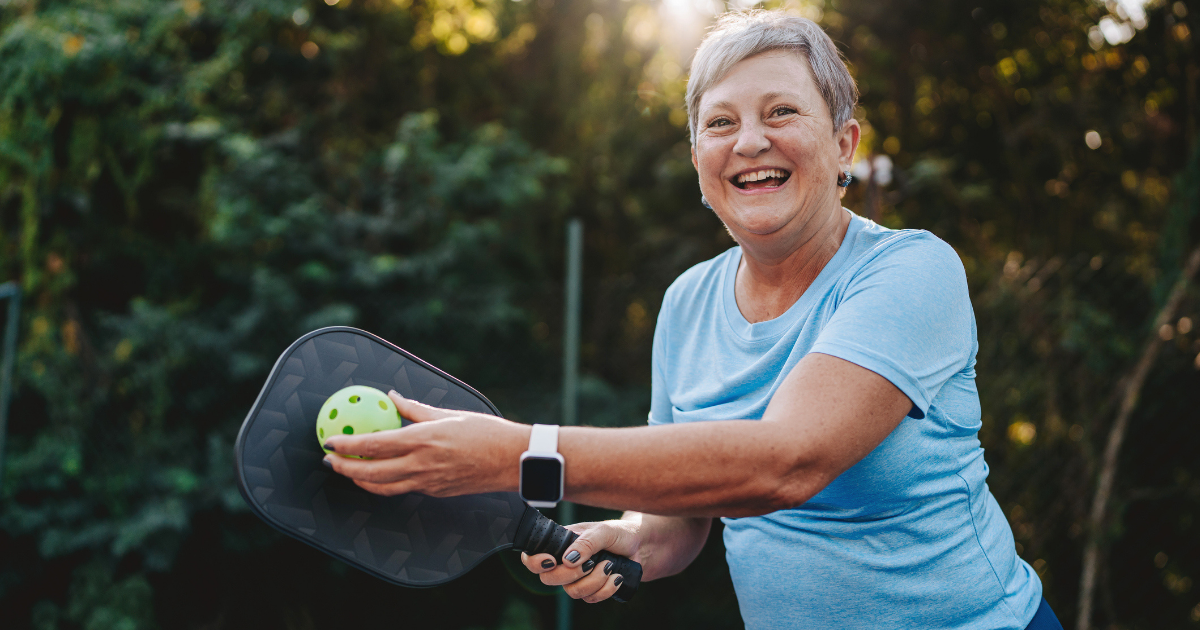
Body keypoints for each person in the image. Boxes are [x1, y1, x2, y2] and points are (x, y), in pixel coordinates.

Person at [320, 10, 1063, 630]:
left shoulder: (910, 273)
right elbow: (682, 519)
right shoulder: (686, 304)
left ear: (844, 146)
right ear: (700, 161)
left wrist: (521, 453)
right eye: (721, 123)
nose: (749, 142)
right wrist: (627, 537)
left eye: (781, 112)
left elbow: (786, 462)